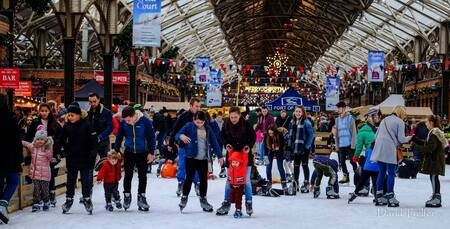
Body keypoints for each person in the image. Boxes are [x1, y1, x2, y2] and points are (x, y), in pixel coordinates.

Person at [176, 111, 224, 213]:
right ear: (194, 120)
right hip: (190, 158)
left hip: (203, 159)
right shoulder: (189, 126)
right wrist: (181, 136)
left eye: (201, 122)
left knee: (203, 180)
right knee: (189, 178)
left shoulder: (207, 128)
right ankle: (184, 197)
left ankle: (203, 199)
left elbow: (214, 142)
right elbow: (177, 134)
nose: (199, 124)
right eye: (197, 122)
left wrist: (220, 156)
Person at [216, 107, 256, 216]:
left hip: (244, 156)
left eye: (235, 117)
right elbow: (222, 137)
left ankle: (248, 202)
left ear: (239, 116)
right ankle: (226, 202)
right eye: (231, 117)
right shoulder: (226, 125)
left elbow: (253, 137)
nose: (233, 119)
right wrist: (226, 144)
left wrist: (249, 146)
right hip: (232, 156)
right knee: (229, 180)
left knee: (246, 180)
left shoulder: (246, 125)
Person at [114, 106, 156, 211]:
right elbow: (119, 136)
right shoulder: (124, 123)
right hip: (129, 152)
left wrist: (151, 152)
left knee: (142, 176)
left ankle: (141, 196)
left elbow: (151, 138)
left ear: (134, 116)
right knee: (128, 175)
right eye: (125, 120)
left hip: (143, 152)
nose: (127, 122)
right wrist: (117, 149)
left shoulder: (145, 121)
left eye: (128, 120)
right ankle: (127, 196)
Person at [370, 106, 412, 207]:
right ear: (401, 114)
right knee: (391, 173)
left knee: (382, 172)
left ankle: (379, 196)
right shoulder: (400, 122)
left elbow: (376, 136)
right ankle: (390, 196)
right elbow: (402, 139)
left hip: (379, 148)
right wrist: (410, 137)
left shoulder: (384, 120)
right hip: (389, 149)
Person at [59, 102, 97, 214]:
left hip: (86, 157)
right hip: (72, 158)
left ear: (79, 115)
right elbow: (61, 139)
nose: (70, 117)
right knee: (70, 180)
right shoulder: (66, 126)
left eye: (72, 115)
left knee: (85, 180)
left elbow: (94, 141)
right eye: (69, 115)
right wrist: (65, 149)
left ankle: (87, 199)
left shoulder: (87, 125)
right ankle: (69, 200)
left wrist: (93, 153)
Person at [26, 103, 62, 207]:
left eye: (46, 111)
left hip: (49, 152)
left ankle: (51, 193)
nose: (44, 113)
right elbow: (29, 136)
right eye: (42, 111)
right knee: (39, 176)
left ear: (49, 111)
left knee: (49, 173)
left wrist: (54, 144)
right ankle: (40, 196)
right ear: (39, 112)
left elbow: (60, 134)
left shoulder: (54, 122)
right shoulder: (35, 122)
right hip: (38, 152)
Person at [169, 98, 202, 196]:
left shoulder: (201, 116)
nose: (198, 108)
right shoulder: (183, 117)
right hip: (184, 146)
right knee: (182, 165)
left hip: (197, 148)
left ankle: (197, 184)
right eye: (196, 106)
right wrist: (171, 143)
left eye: (199, 106)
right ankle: (181, 183)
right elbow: (175, 130)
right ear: (191, 106)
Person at [412, 115, 447, 208]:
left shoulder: (434, 133)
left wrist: (416, 147)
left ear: (431, 122)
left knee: (434, 178)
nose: (426, 124)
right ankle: (436, 195)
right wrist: (416, 140)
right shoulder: (433, 132)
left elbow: (431, 147)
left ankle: (437, 197)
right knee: (433, 177)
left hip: (435, 160)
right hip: (435, 160)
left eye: (427, 122)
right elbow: (428, 143)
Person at [0, 94, 23, 224]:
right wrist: (19, 157)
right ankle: (3, 205)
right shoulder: (11, 118)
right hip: (10, 157)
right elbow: (16, 140)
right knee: (13, 181)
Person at [348, 109, 380, 203]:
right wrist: (356, 156)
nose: (377, 118)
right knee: (373, 176)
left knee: (368, 176)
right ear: (369, 118)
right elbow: (358, 147)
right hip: (374, 156)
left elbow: (358, 147)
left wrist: (356, 156)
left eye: (377, 116)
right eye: (375, 116)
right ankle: (376, 196)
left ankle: (356, 193)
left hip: (371, 157)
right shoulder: (375, 131)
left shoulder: (368, 131)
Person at [22, 125, 53, 212]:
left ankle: (46, 201)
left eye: (42, 139)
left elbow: (50, 158)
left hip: (45, 174)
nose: (40, 141)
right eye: (38, 139)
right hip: (35, 173)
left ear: (45, 140)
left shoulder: (47, 148)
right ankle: (36, 203)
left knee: (44, 190)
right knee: (36, 189)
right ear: (35, 139)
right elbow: (26, 144)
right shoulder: (33, 147)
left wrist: (48, 149)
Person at [287, 105, 314, 194]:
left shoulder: (306, 122)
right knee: (296, 165)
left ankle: (306, 182)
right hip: (295, 147)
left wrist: (307, 146)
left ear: (302, 113)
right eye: (296, 111)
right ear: (294, 112)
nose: (298, 113)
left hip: (303, 147)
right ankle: (296, 182)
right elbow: (290, 135)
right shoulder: (292, 122)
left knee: (305, 165)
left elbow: (311, 135)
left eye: (299, 112)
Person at [334, 101, 357, 184]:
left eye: (339, 108)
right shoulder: (337, 120)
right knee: (342, 162)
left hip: (350, 144)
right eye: (337, 108)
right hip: (341, 144)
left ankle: (357, 175)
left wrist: (353, 144)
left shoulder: (350, 118)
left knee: (353, 161)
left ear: (344, 109)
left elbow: (354, 132)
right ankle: (345, 176)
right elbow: (336, 134)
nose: (338, 110)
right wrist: (337, 145)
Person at [87, 92, 113, 159]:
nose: (92, 103)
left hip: (103, 142)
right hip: (91, 142)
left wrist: (100, 137)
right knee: (90, 165)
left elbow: (110, 127)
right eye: (90, 102)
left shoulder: (107, 112)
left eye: (94, 101)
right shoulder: (88, 112)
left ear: (99, 100)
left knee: (104, 162)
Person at [264, 124, 288, 193]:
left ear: (275, 132)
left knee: (280, 167)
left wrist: (279, 148)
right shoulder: (266, 135)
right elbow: (265, 146)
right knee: (268, 167)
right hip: (269, 152)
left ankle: (284, 183)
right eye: (269, 133)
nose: (270, 134)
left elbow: (283, 144)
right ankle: (269, 182)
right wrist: (265, 155)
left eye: (272, 133)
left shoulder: (279, 134)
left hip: (279, 152)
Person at [228, 148, 249, 218]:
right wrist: (230, 151)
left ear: (240, 162)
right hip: (232, 186)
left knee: (238, 199)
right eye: (233, 162)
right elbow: (230, 157)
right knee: (231, 199)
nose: (234, 164)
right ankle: (235, 206)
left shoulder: (242, 167)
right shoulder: (231, 166)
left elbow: (245, 160)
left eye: (236, 162)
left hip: (239, 187)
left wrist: (244, 153)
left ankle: (238, 209)